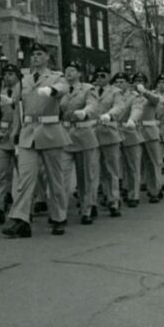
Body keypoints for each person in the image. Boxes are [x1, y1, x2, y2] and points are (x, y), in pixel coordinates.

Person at [3, 42, 70, 238]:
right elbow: (18, 108)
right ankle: (21, 219)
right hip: (28, 133)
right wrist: (15, 133)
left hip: (50, 131)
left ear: (47, 57)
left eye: (39, 54)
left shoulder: (56, 77)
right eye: (33, 55)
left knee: (54, 179)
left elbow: (64, 88)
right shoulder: (23, 80)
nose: (35, 58)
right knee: (25, 179)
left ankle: (58, 217)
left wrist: (52, 91)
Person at [60, 61, 100, 224]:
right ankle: (59, 213)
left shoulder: (87, 89)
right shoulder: (60, 89)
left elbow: (93, 105)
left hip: (84, 135)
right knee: (61, 175)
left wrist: (84, 112)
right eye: (67, 70)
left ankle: (87, 209)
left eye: (72, 70)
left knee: (86, 177)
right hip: (64, 135)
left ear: (79, 74)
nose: (69, 73)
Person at [91, 68, 127, 215]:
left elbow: (120, 106)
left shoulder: (115, 92)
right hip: (92, 134)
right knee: (93, 170)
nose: (99, 78)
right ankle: (91, 203)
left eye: (103, 75)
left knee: (112, 170)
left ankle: (114, 201)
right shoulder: (90, 91)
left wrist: (109, 115)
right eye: (97, 75)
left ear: (108, 77)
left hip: (109, 133)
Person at [133, 73, 164, 203]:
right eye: (135, 80)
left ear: (145, 83)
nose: (138, 82)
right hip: (135, 132)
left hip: (150, 132)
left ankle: (155, 190)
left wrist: (144, 92)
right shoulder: (131, 96)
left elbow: (157, 100)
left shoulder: (150, 94)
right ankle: (133, 192)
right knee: (135, 164)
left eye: (141, 80)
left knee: (153, 163)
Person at [0, 63, 21, 218]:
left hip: (19, 135)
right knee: (1, 173)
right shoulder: (1, 91)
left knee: (23, 174)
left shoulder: (22, 90)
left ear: (17, 76)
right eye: (5, 74)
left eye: (10, 74)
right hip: (3, 136)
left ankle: (26, 208)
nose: (7, 77)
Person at [113, 72, 140, 211]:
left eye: (122, 82)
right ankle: (115, 194)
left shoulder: (134, 96)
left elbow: (137, 109)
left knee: (132, 165)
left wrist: (132, 120)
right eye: (117, 82)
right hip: (113, 132)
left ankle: (133, 195)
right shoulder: (112, 95)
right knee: (115, 166)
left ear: (128, 84)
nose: (119, 85)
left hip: (129, 131)